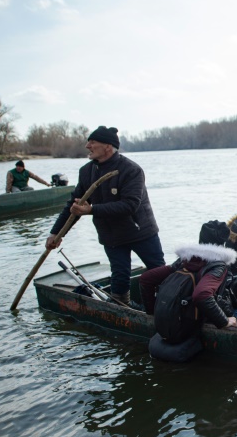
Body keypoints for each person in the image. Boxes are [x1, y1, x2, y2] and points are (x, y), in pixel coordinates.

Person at [46, 126, 165, 306]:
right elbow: (74, 206)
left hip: (141, 232)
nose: (87, 146)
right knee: (119, 275)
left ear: (108, 146)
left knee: (159, 271)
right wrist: (56, 233)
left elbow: (130, 205)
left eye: (92, 142)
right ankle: (122, 308)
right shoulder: (86, 172)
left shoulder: (131, 170)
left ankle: (166, 305)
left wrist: (92, 210)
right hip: (112, 236)